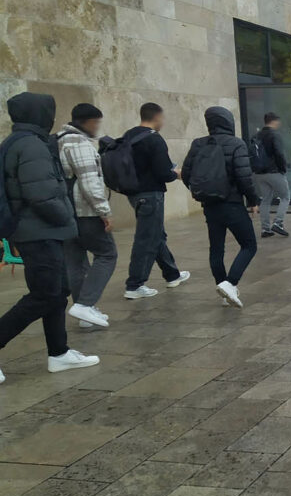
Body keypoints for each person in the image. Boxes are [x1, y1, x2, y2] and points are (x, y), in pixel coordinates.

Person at [0, 92, 100, 384]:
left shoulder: (19, 142)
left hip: (38, 231)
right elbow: (41, 195)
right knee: (44, 295)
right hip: (39, 232)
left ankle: (59, 353)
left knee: (57, 292)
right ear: (39, 114)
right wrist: (66, 218)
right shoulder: (32, 145)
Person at [181, 106, 259, 308]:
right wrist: (253, 200)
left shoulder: (198, 144)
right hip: (232, 203)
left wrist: (199, 190)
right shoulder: (236, 144)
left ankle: (223, 291)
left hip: (209, 205)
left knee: (216, 249)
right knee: (249, 245)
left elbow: (187, 174)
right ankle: (230, 283)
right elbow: (244, 177)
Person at [58, 103, 117, 329]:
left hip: (66, 212)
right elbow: (89, 181)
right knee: (107, 254)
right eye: (97, 122)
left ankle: (85, 313)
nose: (98, 127)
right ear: (88, 122)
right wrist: (104, 211)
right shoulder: (79, 142)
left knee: (76, 262)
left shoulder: (59, 140)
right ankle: (85, 305)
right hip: (85, 212)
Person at [123, 103, 189, 299]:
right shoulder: (154, 139)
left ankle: (172, 275)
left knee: (156, 234)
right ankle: (135, 285)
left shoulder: (129, 135)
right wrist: (177, 174)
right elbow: (163, 172)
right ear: (157, 117)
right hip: (150, 195)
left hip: (134, 194)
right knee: (146, 239)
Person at [253, 112, 290, 238]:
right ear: (274, 121)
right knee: (285, 197)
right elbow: (279, 153)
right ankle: (278, 223)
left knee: (266, 199)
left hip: (259, 173)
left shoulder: (257, 135)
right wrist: (283, 168)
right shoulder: (275, 135)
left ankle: (265, 229)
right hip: (273, 171)